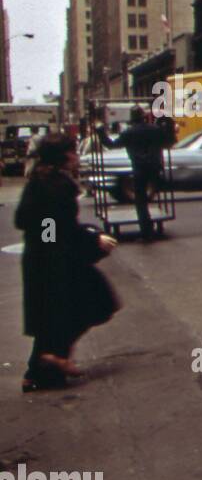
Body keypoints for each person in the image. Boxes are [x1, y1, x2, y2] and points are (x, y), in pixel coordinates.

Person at [15, 133, 120, 392]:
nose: (77, 157)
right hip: (55, 260)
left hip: (44, 257)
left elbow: (27, 221)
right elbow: (55, 227)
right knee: (97, 301)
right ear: (63, 157)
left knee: (53, 315)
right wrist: (93, 240)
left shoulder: (38, 181)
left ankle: (39, 370)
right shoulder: (55, 186)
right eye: (73, 152)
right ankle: (54, 359)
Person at [97, 106, 168, 242]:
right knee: (153, 195)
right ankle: (150, 228)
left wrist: (100, 132)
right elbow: (167, 140)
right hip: (155, 167)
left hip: (139, 168)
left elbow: (111, 145)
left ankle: (147, 231)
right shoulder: (154, 130)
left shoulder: (129, 133)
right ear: (144, 117)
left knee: (140, 201)